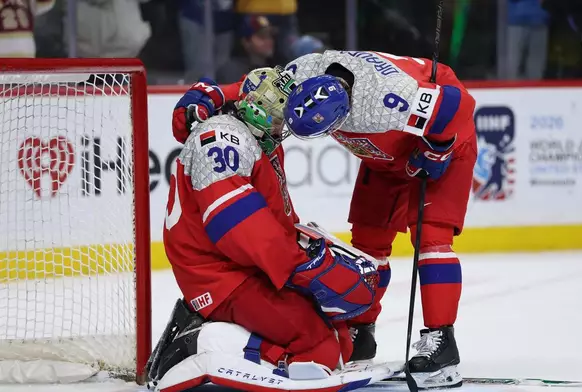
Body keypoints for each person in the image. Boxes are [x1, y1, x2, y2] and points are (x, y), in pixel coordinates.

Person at [154, 67, 379, 391]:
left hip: (246, 265)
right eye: (278, 118)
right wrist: (298, 266)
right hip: (217, 275)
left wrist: (309, 251)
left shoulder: (260, 139)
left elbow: (276, 217)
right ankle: (201, 340)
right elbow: (234, 224)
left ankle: (223, 332)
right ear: (258, 109)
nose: (283, 127)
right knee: (318, 348)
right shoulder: (221, 139)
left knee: (340, 340)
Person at [282, 50, 477, 388]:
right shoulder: (299, 71)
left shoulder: (387, 100)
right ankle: (362, 331)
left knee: (431, 237)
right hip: (385, 156)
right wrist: (214, 94)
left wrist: (436, 150)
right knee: (369, 242)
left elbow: (458, 106)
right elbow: (254, 88)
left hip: (444, 138)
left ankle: (442, 343)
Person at [216, 15, 276, 84]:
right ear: (246, 41)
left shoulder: (276, 68)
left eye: (270, 36)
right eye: (262, 36)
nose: (268, 41)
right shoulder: (230, 71)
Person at [505, 0, 550, 80]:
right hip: (517, 20)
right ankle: (511, 90)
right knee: (513, 65)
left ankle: (534, 91)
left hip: (539, 19)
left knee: (536, 66)